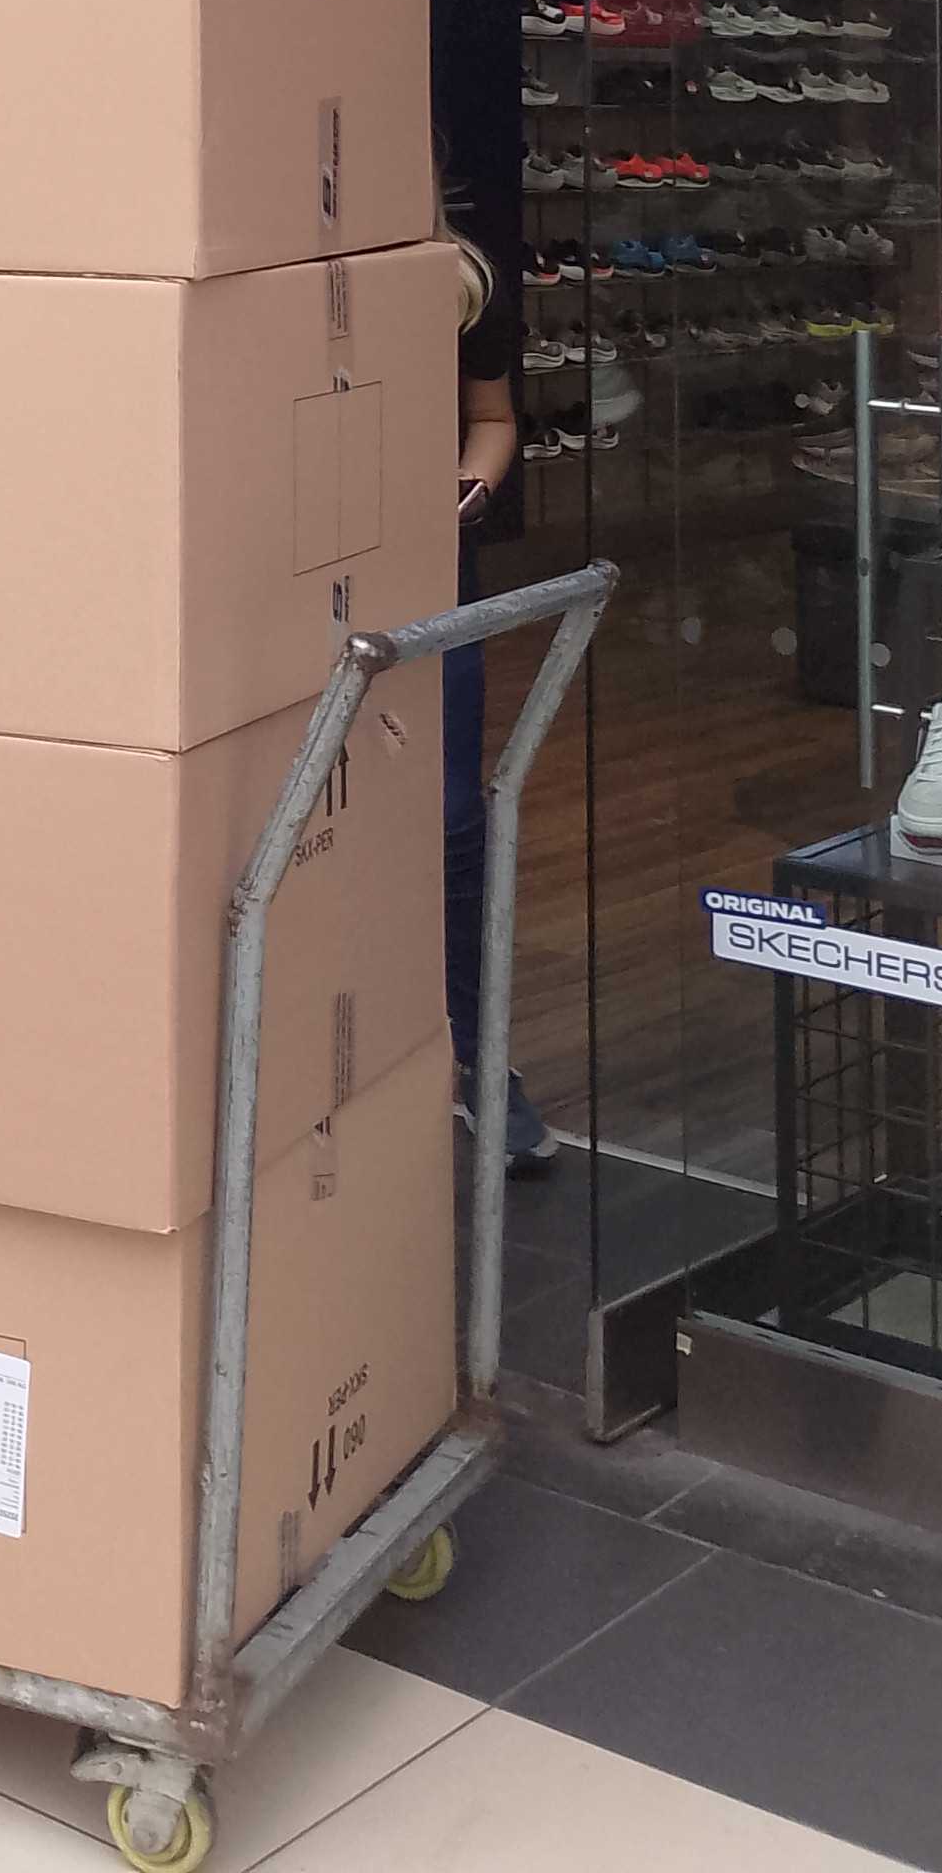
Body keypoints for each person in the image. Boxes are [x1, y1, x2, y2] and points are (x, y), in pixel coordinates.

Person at [445, 194, 558, 1174]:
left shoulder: (462, 279)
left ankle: (479, 1061)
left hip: (428, 570)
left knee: (452, 822)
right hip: (285, 576)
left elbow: (491, 417)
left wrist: (466, 494)